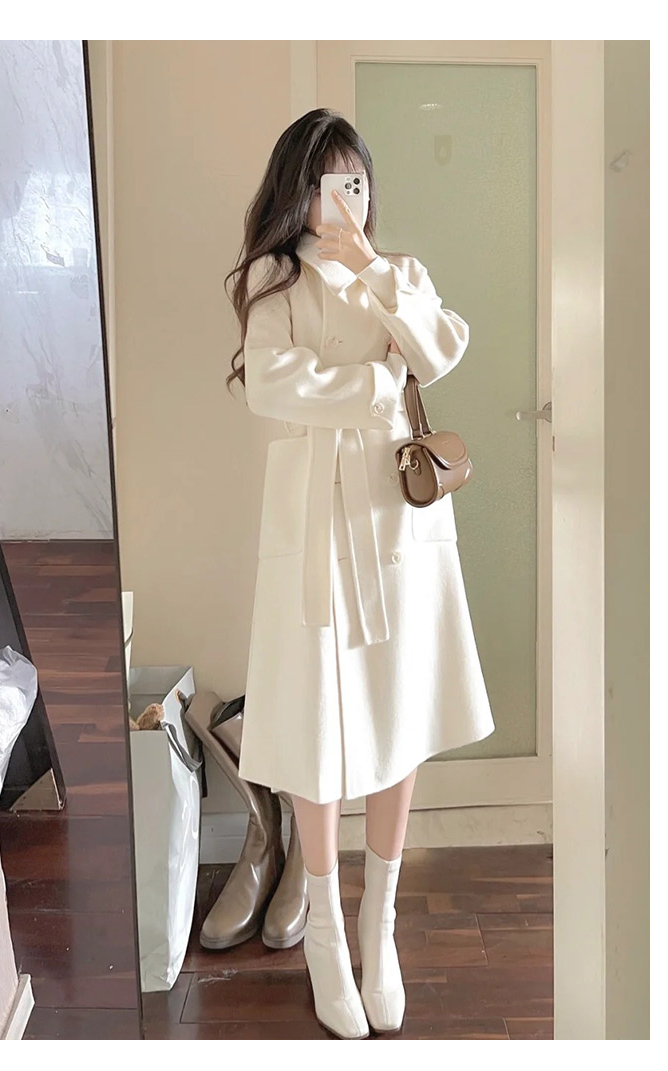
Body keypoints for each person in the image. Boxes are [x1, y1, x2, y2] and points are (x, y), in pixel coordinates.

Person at [225, 108, 495, 1040]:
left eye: (356, 180)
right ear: (297, 190)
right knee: (316, 723)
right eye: (327, 182)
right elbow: (275, 385)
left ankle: (380, 926)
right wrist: (377, 384)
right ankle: (326, 935)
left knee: (400, 712)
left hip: (396, 526)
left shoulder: (399, 274)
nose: (344, 198)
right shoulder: (276, 283)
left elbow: (441, 349)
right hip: (314, 526)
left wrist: (376, 271)